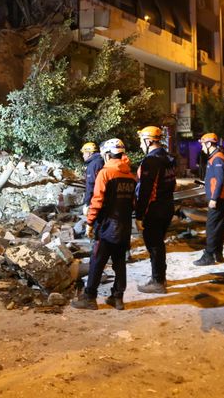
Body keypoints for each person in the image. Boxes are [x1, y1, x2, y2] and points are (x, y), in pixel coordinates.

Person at [71, 138, 136, 310]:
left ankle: (89, 297)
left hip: (107, 226)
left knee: (97, 260)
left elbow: (97, 200)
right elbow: (133, 202)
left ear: (107, 154)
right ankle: (118, 298)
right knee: (120, 262)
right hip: (124, 226)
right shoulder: (130, 175)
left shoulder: (105, 173)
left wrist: (90, 222)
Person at [134, 125, 176, 294]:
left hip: (154, 208)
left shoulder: (151, 160)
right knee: (158, 244)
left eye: (141, 142)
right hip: (167, 205)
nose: (140, 145)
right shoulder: (167, 158)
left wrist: (139, 215)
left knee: (154, 245)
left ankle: (158, 281)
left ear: (148, 141)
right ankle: (160, 277)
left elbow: (146, 189)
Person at [194, 132, 224, 266]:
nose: (201, 147)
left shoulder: (217, 159)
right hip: (220, 198)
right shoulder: (216, 157)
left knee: (211, 227)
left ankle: (208, 255)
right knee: (218, 227)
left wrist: (214, 198)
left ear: (209, 144)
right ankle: (217, 254)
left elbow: (220, 180)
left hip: (218, 199)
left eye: (202, 144)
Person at [80, 142, 105, 215]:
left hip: (97, 200)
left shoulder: (93, 165)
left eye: (84, 153)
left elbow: (91, 184)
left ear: (89, 153)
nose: (83, 155)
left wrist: (87, 203)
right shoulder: (101, 161)